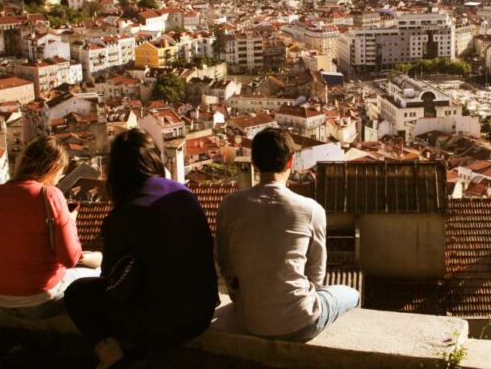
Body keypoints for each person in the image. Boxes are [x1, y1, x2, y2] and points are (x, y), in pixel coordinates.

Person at [65, 129, 219, 368]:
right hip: (202, 313)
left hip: (161, 324)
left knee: (76, 293)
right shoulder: (186, 194)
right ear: (154, 160)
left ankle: (112, 357)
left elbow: (111, 282)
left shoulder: (125, 214)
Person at [217, 128, 359, 341]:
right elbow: (316, 274)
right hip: (300, 323)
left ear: (254, 163)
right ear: (290, 162)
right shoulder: (311, 209)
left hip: (250, 320)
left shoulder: (230, 204)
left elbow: (225, 261)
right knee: (352, 294)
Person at [0, 136, 100, 319]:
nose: (60, 177)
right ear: (53, 168)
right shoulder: (49, 194)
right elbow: (70, 259)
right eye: (60, 171)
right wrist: (70, 221)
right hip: (41, 300)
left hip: (0, 298)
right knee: (99, 272)